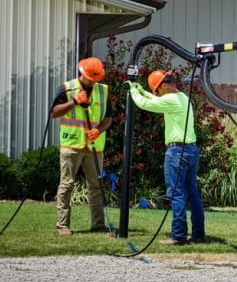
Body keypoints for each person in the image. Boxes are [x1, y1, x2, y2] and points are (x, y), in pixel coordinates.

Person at [128, 70, 205, 245]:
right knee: (192, 194)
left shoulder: (170, 100)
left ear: (163, 86)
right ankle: (198, 234)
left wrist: (133, 90)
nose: (157, 94)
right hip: (192, 150)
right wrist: (143, 90)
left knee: (176, 194)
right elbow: (154, 99)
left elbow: (144, 104)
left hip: (177, 152)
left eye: (156, 90)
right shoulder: (184, 97)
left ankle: (178, 236)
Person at [50, 57, 113, 235]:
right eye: (90, 79)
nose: (93, 82)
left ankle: (98, 225)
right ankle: (62, 225)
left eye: (96, 79)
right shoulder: (66, 88)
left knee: (96, 186)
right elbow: (54, 113)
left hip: (94, 146)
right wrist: (74, 102)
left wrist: (98, 130)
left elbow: (108, 119)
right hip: (71, 144)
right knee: (66, 184)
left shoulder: (104, 91)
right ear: (82, 73)